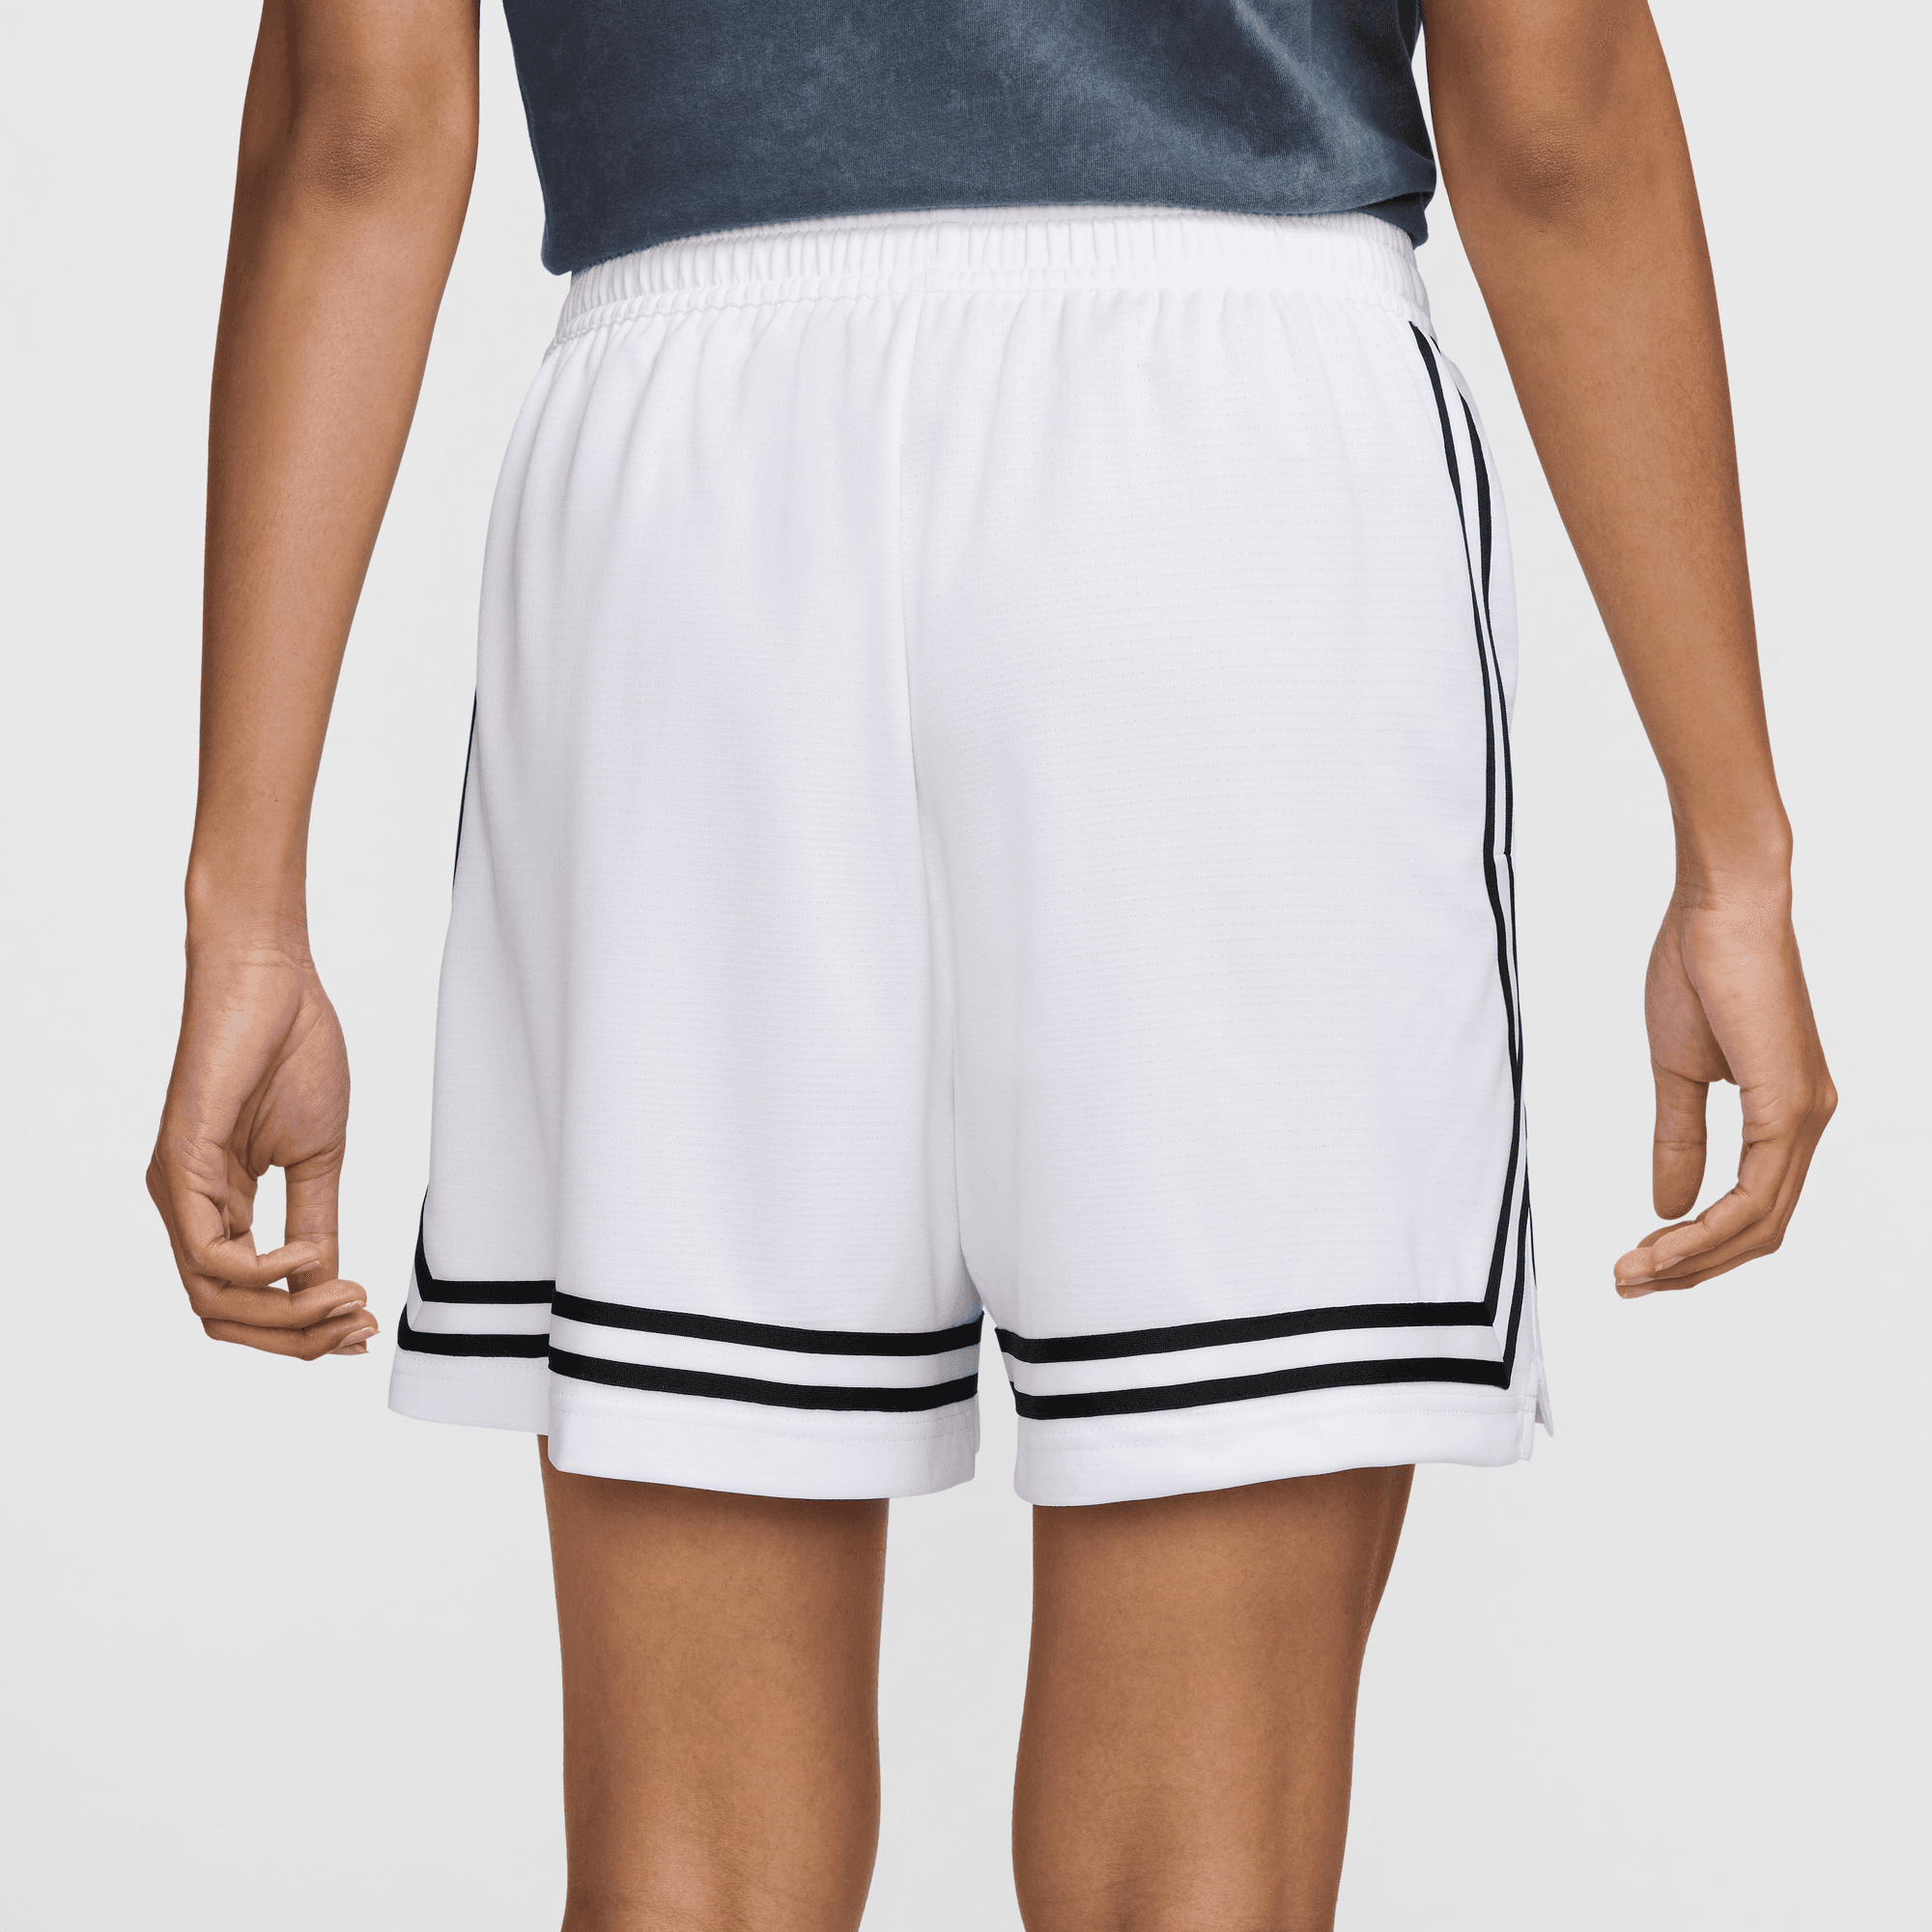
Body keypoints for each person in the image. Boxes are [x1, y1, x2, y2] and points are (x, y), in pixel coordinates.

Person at [146, 2, 1834, 1926]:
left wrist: (245, 903)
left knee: (692, 1876)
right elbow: (1554, 107)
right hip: (1234, 468)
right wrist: (1734, 851)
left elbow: (356, 129)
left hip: (689, 489)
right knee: (1190, 1880)